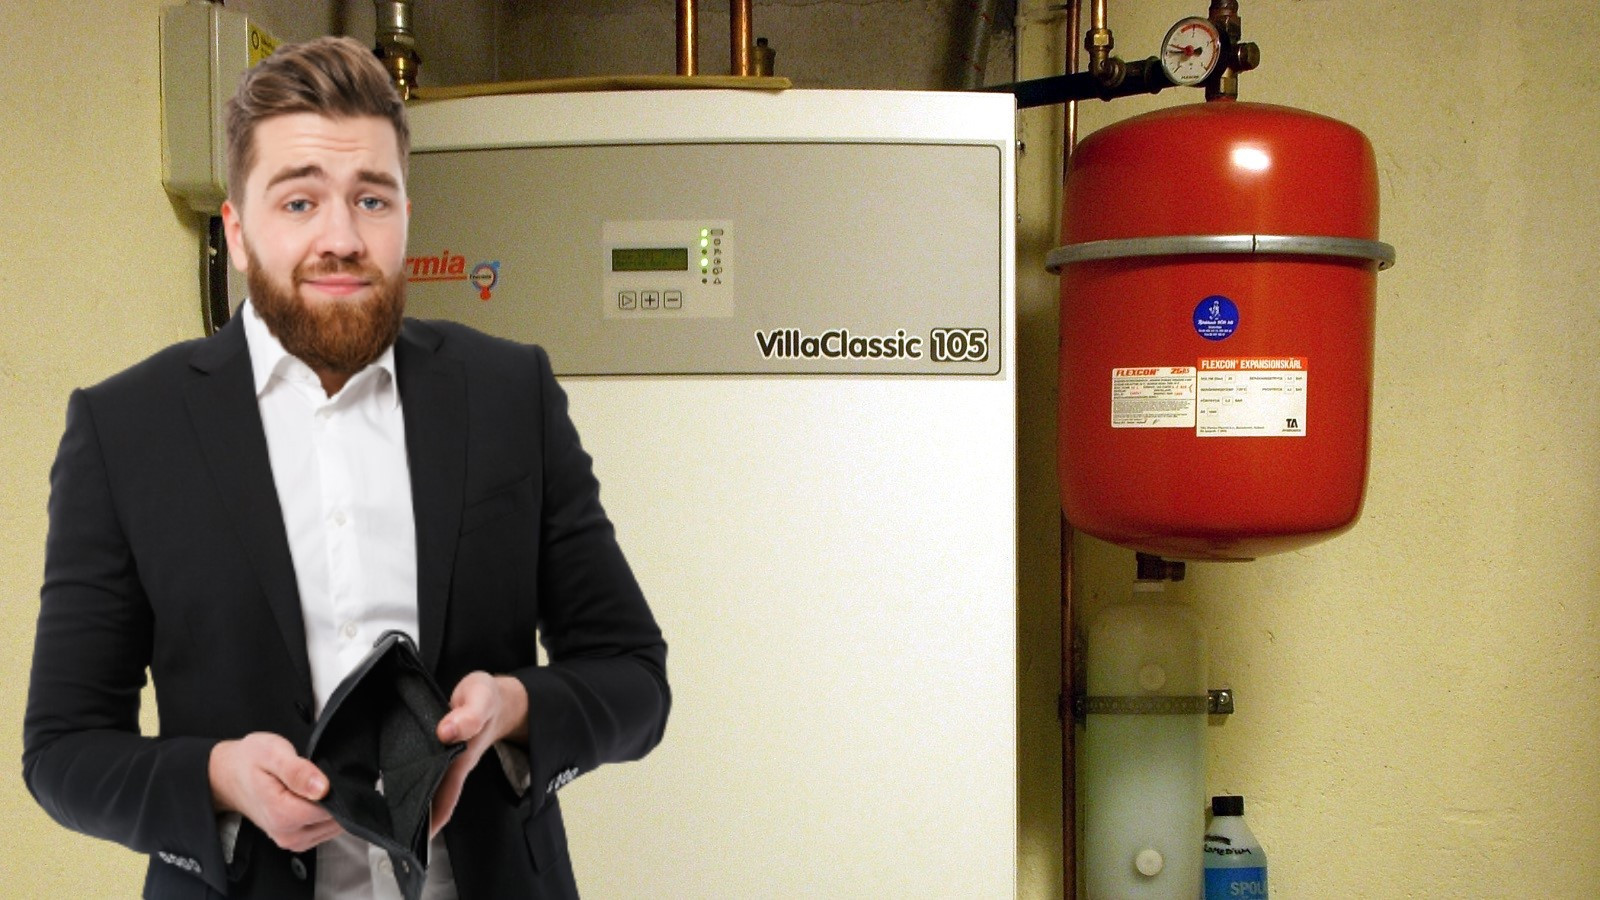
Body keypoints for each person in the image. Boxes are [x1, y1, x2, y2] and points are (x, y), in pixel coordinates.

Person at [22, 36, 669, 900]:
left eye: (371, 199)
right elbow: (62, 750)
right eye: (299, 201)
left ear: (405, 215)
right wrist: (218, 779)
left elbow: (633, 677)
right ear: (237, 231)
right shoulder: (125, 429)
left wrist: (512, 710)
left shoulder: (509, 393)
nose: (341, 238)